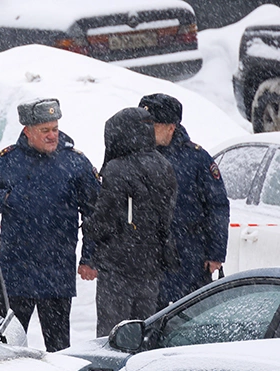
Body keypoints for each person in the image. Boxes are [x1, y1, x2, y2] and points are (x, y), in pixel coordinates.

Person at [0, 98, 100, 352]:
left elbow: (94, 213)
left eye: (55, 128)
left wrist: (89, 257)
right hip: (17, 270)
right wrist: (7, 198)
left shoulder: (74, 163)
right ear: (27, 130)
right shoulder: (8, 161)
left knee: (60, 347)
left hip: (57, 270)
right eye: (45, 130)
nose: (52, 135)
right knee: (8, 346)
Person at [79, 107, 178, 337]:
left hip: (119, 267)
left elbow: (105, 218)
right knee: (142, 332)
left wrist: (89, 225)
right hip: (152, 264)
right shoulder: (164, 165)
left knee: (112, 334)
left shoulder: (117, 168)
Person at [138, 93, 230, 308]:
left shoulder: (196, 158)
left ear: (171, 127)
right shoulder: (136, 154)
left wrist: (215, 253)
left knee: (188, 318)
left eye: (153, 125)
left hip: (189, 255)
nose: (146, 130)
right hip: (148, 257)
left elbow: (217, 207)